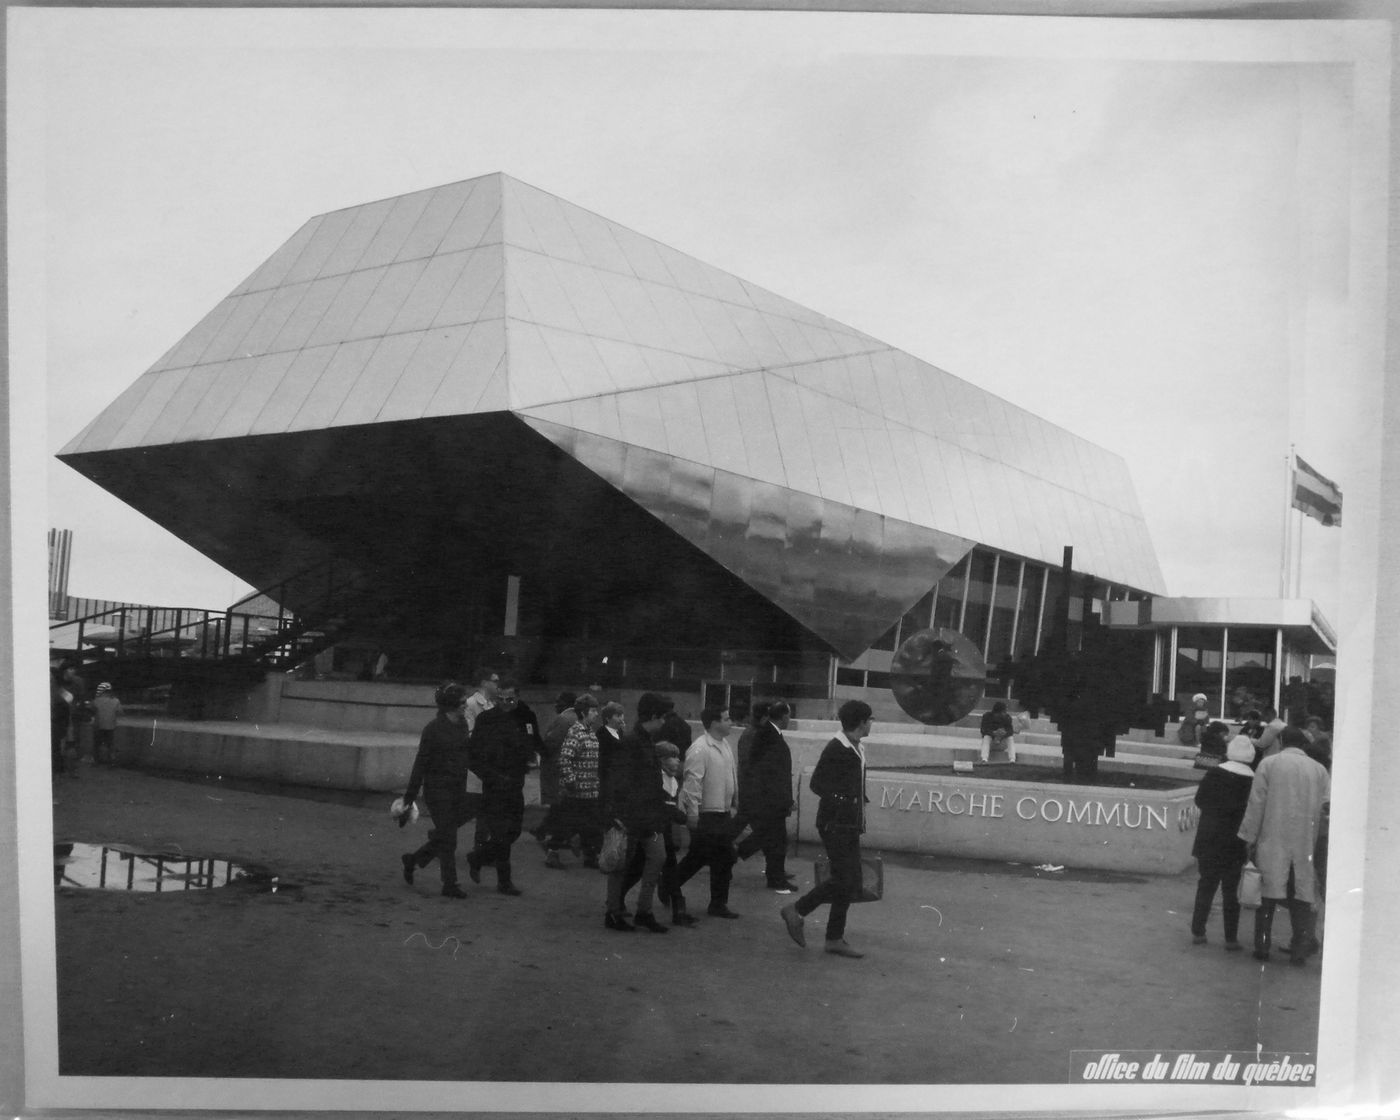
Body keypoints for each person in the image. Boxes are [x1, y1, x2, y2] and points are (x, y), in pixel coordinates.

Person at [780, 699, 873, 959]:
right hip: (836, 824)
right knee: (845, 880)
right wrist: (845, 800)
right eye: (870, 719)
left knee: (850, 882)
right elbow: (818, 784)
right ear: (862, 722)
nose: (871, 724)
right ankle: (796, 911)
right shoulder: (837, 748)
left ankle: (834, 937)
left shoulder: (855, 747)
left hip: (849, 824)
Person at [1237, 726, 1330, 964]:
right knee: (1302, 896)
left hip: (1272, 838)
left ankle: (1263, 945)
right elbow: (1326, 807)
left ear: (1280, 740)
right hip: (1305, 842)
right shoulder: (1319, 771)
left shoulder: (1269, 764)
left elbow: (1256, 803)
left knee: (1267, 894)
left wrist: (1248, 837)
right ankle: (1300, 950)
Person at [602, 693, 674, 932]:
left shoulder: (634, 740)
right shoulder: (637, 742)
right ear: (653, 716)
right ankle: (633, 911)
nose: (664, 722)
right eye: (662, 717)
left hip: (639, 816)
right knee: (644, 860)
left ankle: (623, 911)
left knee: (632, 862)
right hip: (638, 817)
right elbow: (623, 780)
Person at [399, 682, 473, 899]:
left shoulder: (462, 725)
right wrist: (409, 798)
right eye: (461, 703)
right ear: (450, 706)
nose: (464, 707)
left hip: (458, 786)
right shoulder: (432, 729)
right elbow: (420, 764)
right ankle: (449, 883)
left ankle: (413, 859)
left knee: (446, 832)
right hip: (438, 789)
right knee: (449, 837)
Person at [667, 706, 741, 920]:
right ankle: (669, 885)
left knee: (719, 857)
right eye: (726, 718)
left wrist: (734, 801)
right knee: (703, 857)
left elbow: (731, 776)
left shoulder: (725, 744)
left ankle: (717, 902)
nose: (730, 722)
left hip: (723, 812)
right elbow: (692, 783)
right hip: (706, 813)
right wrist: (692, 813)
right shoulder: (700, 749)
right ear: (714, 723)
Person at [464, 680, 534, 895]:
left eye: (510, 700)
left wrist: (529, 759)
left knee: (513, 831)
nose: (505, 704)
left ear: (518, 698)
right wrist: (491, 776)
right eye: (500, 699)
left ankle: (477, 857)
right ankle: (504, 881)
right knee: (502, 834)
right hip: (494, 786)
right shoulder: (486, 720)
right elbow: (473, 755)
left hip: (515, 784)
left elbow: (530, 742)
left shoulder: (524, 718)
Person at [1189, 735, 1255, 949]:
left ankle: (1198, 931)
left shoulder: (1215, 773)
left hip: (1209, 838)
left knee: (1206, 885)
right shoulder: (1252, 780)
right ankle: (1231, 938)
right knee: (1231, 891)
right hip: (1235, 843)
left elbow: (1200, 800)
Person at [735, 700, 798, 893]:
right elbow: (770, 772)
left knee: (773, 838)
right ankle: (774, 875)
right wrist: (784, 799)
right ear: (784, 716)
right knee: (774, 838)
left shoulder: (767, 734)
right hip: (768, 801)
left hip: (768, 799)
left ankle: (775, 873)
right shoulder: (766, 735)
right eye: (788, 715)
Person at [545, 694, 603, 869]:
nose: (596, 714)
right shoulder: (576, 732)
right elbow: (564, 759)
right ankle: (552, 853)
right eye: (593, 711)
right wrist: (571, 781)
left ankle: (590, 855)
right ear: (584, 713)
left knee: (590, 825)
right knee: (566, 824)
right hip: (576, 791)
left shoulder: (590, 732)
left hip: (590, 790)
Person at [531, 691, 577, 845]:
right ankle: (544, 829)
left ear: (566, 703)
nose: (555, 705)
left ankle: (551, 834)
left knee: (559, 803)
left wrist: (538, 749)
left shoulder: (563, 719)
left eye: (559, 702)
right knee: (561, 804)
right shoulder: (576, 718)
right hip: (568, 766)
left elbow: (550, 742)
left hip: (556, 766)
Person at [91, 682, 124, 766]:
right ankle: (112, 761)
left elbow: (92, 711)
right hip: (110, 726)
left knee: (97, 745)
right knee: (110, 745)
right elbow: (120, 712)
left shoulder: (96, 701)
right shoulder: (116, 701)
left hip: (98, 726)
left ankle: (96, 761)